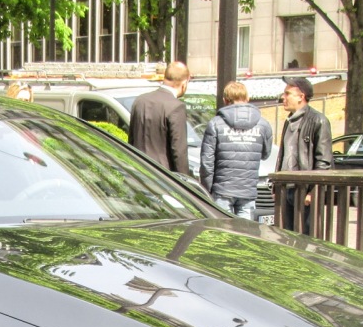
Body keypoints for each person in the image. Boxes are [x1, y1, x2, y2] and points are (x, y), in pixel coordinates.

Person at [198, 81, 273, 221]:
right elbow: (265, 154)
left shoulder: (216, 123)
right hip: (248, 189)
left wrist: (206, 188)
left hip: (222, 188)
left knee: (222, 233)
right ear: (248, 98)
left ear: (225, 100)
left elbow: (207, 161)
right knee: (245, 233)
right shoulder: (263, 124)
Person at [275, 75, 332, 233]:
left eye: (287, 94)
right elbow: (284, 155)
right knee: (286, 237)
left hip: (304, 190)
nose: (283, 97)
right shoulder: (289, 121)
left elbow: (324, 161)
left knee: (306, 238)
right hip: (286, 188)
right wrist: (276, 187)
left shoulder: (318, 121)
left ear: (301, 97)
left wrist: (313, 192)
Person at [128, 61, 191, 175]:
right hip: (162, 178)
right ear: (185, 82)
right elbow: (179, 152)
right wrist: (185, 183)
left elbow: (131, 141)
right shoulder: (176, 107)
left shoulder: (140, 101)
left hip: (137, 173)